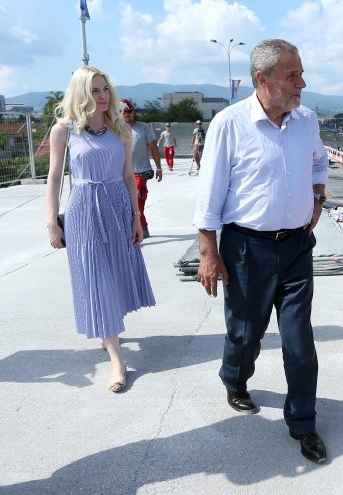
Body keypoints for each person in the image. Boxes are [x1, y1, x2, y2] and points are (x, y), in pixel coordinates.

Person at [193, 39, 329, 464]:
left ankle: (303, 423)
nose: (301, 83)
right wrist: (207, 252)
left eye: (301, 73)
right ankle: (234, 379)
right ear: (261, 79)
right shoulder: (230, 124)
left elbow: (319, 162)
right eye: (292, 76)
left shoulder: (306, 121)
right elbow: (210, 194)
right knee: (245, 332)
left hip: (295, 249)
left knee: (298, 339)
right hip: (245, 249)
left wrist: (318, 198)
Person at [44, 66, 155, 393]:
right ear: (80, 93)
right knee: (96, 279)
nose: (103, 96)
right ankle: (118, 361)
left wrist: (136, 217)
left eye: (105, 88)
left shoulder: (119, 129)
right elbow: (53, 177)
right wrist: (52, 220)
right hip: (83, 210)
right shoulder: (64, 130)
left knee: (116, 275)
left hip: (117, 208)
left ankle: (107, 330)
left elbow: (126, 178)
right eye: (94, 90)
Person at [120, 98, 162, 239]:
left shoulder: (143, 128)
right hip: (122, 173)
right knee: (127, 203)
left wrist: (159, 168)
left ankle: (141, 228)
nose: (127, 114)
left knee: (137, 200)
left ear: (134, 112)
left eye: (130, 111)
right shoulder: (115, 129)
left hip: (141, 171)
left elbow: (154, 148)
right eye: (124, 112)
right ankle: (138, 226)